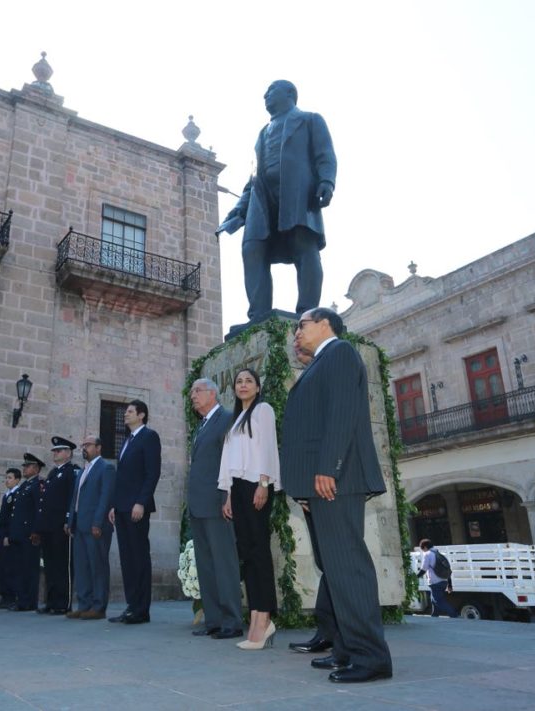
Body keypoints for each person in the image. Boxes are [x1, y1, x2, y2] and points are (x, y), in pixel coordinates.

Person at [282, 306, 392, 684]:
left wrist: (329, 467)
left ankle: (370, 657)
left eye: (302, 325)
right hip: (321, 485)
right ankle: (345, 650)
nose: (297, 333)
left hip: (336, 480)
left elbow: (342, 414)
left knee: (348, 568)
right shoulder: (320, 361)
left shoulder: (341, 352)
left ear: (325, 324)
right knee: (336, 570)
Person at [218, 80, 337, 325]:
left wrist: (327, 180)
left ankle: (307, 313)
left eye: (271, 90)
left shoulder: (310, 120)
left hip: (298, 194)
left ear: (290, 94)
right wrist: (239, 210)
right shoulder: (262, 134)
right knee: (252, 249)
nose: (265, 95)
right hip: (262, 201)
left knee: (304, 247)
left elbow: (325, 154)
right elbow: (252, 178)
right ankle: (258, 316)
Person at [220, 369, 280, 649]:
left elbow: (267, 447)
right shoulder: (235, 421)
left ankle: (264, 617)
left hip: (257, 484)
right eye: (239, 381)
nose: (243, 385)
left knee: (259, 551)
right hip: (238, 488)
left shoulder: (263, 410)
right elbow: (229, 461)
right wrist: (229, 495)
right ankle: (256, 615)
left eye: (248, 381)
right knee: (247, 553)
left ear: (258, 387)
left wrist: (264, 483)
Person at [186, 378, 243, 640]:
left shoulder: (227, 418)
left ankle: (232, 621)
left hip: (218, 503)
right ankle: (214, 621)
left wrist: (229, 496)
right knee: (206, 565)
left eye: (197, 391)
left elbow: (232, 461)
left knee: (224, 564)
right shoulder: (202, 425)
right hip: (198, 505)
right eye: (191, 392)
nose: (192, 396)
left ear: (212, 393)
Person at [288, 342, 333, 655]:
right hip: (311, 489)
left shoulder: (331, 372)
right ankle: (327, 632)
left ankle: (334, 635)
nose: (298, 349)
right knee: (324, 562)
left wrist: (324, 474)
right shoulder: (306, 385)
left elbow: (328, 432)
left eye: (305, 350)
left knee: (334, 563)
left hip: (327, 485)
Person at [109, 399, 161, 625]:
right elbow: (122, 477)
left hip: (136, 507)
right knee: (127, 558)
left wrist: (141, 502)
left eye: (130, 411)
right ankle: (131, 606)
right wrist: (113, 504)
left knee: (139, 556)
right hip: (121, 507)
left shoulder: (149, 437)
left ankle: (141, 610)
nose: (125, 415)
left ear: (141, 415)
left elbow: (152, 473)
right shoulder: (127, 441)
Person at [66, 435, 116, 620]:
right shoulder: (82, 471)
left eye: (87, 445)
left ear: (99, 447)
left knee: (98, 566)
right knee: (82, 566)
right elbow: (75, 499)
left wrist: (98, 522)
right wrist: (70, 521)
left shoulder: (106, 468)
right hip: (79, 525)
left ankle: (98, 606)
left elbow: (106, 497)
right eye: (83, 445)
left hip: (96, 525)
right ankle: (84, 604)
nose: (84, 448)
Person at [34, 436, 80, 615]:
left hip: (61, 526)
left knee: (63, 565)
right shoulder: (53, 473)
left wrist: (69, 521)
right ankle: (51, 601)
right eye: (54, 451)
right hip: (48, 526)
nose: (55, 453)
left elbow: (72, 498)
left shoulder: (72, 472)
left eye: (59, 450)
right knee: (51, 565)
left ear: (68, 453)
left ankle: (63, 603)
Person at [7, 453, 44, 611]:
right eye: (24, 466)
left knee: (29, 569)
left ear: (36, 468)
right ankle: (21, 599)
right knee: (20, 568)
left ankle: (29, 601)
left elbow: (39, 509)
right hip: (19, 533)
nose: (25, 468)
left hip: (29, 534)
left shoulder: (37, 485)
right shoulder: (24, 485)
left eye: (27, 466)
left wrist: (36, 531)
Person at [0, 468, 21, 609]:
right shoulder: (6, 495)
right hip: (2, 533)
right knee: (2, 566)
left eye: (10, 478)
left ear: (17, 480)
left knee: (11, 567)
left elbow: (14, 519)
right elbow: (2, 518)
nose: (7, 480)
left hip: (10, 534)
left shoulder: (17, 494)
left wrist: (9, 535)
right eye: (6, 477)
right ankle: (4, 595)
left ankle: (12, 596)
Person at [418, 539, 458, 618]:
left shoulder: (428, 554)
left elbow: (423, 569)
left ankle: (454, 615)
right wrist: (450, 585)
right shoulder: (441, 554)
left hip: (435, 582)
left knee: (438, 601)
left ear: (425, 547)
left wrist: (415, 577)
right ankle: (434, 616)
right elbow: (448, 570)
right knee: (433, 600)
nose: (423, 551)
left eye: (422, 549)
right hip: (444, 581)